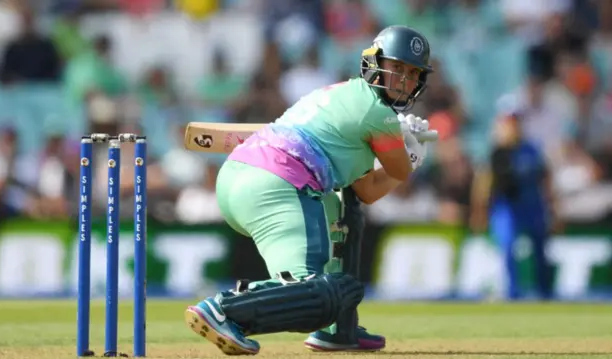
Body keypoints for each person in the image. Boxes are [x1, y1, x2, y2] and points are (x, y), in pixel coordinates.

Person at [185, 25, 437, 355]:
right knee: (319, 291)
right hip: (278, 185)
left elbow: (366, 190)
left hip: (238, 177)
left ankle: (338, 329)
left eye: (411, 73)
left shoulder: (333, 94)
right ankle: (226, 309)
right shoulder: (378, 114)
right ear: (374, 63)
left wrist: (398, 142)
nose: (403, 80)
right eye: (397, 68)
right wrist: (412, 152)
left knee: (344, 213)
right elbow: (399, 169)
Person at [470, 101, 557, 300]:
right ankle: (512, 293)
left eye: (515, 121)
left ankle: (545, 293)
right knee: (508, 247)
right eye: (509, 121)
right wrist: (480, 211)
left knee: (541, 250)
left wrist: (553, 208)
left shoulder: (532, 149)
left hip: (532, 204)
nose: (513, 126)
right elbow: (484, 182)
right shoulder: (496, 151)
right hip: (506, 206)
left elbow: (545, 179)